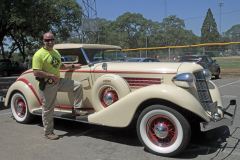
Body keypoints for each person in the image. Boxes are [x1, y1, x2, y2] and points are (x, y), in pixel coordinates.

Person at [32, 32, 88, 140]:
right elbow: (36, 72)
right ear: (43, 41)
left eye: (51, 39)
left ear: (54, 40)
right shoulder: (38, 54)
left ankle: (76, 109)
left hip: (57, 81)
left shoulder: (55, 52)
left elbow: (60, 65)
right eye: (47, 40)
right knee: (48, 109)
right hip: (47, 84)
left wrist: (73, 66)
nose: (49, 42)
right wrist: (51, 75)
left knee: (77, 85)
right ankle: (48, 132)